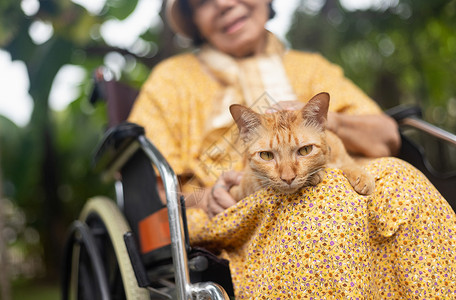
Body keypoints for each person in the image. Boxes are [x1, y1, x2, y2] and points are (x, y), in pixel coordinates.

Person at [128, 0, 456, 298]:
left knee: (402, 182)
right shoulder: (171, 80)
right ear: (192, 18)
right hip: (244, 212)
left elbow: (387, 136)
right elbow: (156, 200)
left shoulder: (308, 67)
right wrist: (208, 197)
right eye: (203, 1)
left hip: (349, 177)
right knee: (321, 211)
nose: (225, 3)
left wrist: (324, 121)